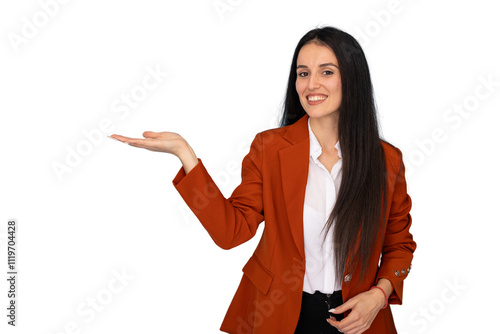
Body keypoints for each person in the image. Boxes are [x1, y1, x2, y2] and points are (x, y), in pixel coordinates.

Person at [109, 26, 416, 334]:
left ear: (352, 79)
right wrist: (185, 155)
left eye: (326, 72)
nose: (312, 84)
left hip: (359, 319)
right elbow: (231, 231)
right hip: (280, 315)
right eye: (303, 73)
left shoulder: (386, 159)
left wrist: (378, 296)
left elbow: (399, 245)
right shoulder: (269, 149)